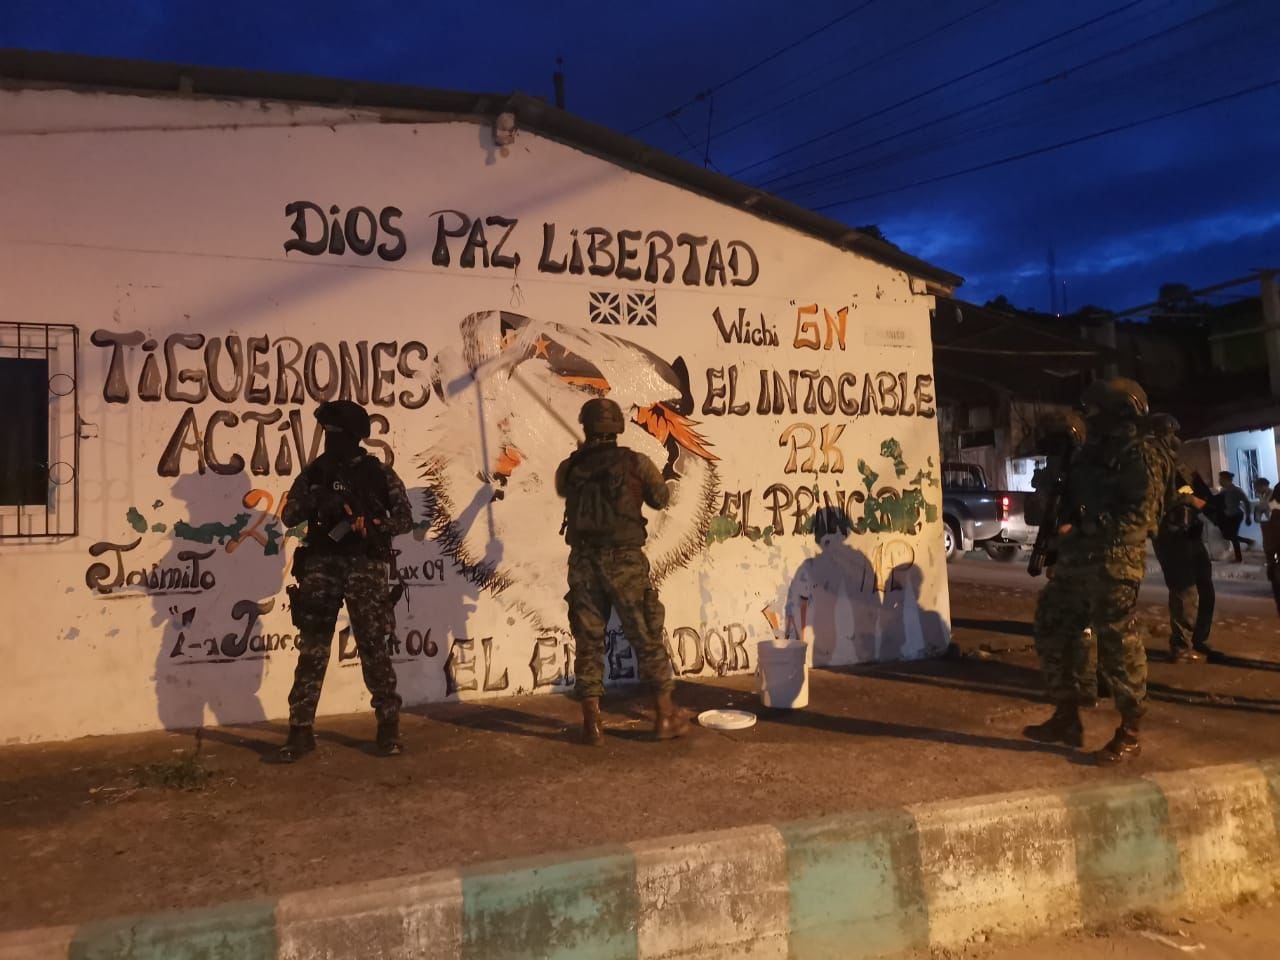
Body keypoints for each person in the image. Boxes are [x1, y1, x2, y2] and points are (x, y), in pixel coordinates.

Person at [1025, 378, 1168, 764]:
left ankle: (1130, 730)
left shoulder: (1141, 455)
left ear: (1120, 413)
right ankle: (1066, 716)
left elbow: (1140, 518)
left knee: (1118, 644)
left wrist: (1086, 529)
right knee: (1052, 623)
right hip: (1079, 558)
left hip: (1115, 561)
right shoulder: (1090, 452)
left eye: (1097, 411)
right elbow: (1071, 497)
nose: (1091, 417)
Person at [276, 400, 414, 762]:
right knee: (314, 647)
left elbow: (404, 519)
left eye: (337, 436)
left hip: (364, 565)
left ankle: (388, 726)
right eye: (328, 435)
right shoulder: (316, 473)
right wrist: (319, 499)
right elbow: (289, 515)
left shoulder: (378, 474)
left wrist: (372, 525)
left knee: (373, 645)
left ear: (355, 437)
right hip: (322, 563)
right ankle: (300, 729)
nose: (331, 442)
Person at [556, 397, 690, 745]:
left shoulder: (570, 467)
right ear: (617, 426)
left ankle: (592, 724)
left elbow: (561, 489)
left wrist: (582, 455)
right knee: (645, 636)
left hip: (583, 562)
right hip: (625, 561)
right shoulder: (636, 463)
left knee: (588, 642)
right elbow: (661, 499)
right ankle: (664, 717)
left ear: (586, 427)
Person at [1149, 415, 1215, 662]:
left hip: (1190, 532)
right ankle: (1181, 646)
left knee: (1204, 586)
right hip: (1171, 534)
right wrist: (1189, 499)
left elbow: (1193, 490)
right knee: (1184, 589)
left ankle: (1198, 640)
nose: (1175, 438)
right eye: (1170, 433)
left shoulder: (1175, 462)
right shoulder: (1153, 461)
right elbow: (1156, 498)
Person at [1217, 471, 1253, 562]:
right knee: (1227, 535)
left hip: (1236, 515)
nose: (1219, 481)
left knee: (1232, 535)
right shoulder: (1223, 491)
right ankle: (1248, 541)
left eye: (1221, 479)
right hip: (1228, 516)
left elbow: (1246, 502)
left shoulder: (1236, 489)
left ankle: (1238, 558)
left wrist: (1248, 516)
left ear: (1226, 480)